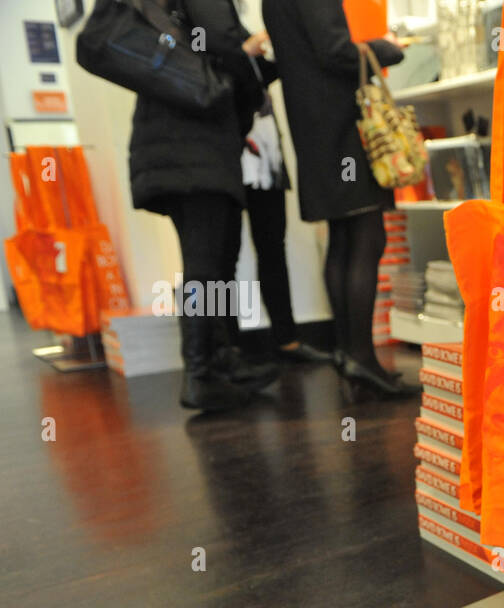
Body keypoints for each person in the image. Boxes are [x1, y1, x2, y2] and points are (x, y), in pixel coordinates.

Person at [127, 0, 280, 412]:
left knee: (216, 258)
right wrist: (254, 71)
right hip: (191, 145)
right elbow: (225, 44)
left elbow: (215, 50)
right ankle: (199, 373)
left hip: (186, 144)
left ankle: (221, 359)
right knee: (205, 263)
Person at [263, 0, 418, 398]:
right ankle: (360, 357)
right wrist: (385, 47)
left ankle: (350, 353)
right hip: (340, 125)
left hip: (314, 126)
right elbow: (334, 51)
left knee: (344, 236)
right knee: (367, 234)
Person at [240, 56, 333, 364]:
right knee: (218, 256)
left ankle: (286, 338)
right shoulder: (202, 26)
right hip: (226, 148)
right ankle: (227, 350)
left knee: (272, 247)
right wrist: (242, 52)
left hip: (266, 155)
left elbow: (268, 72)